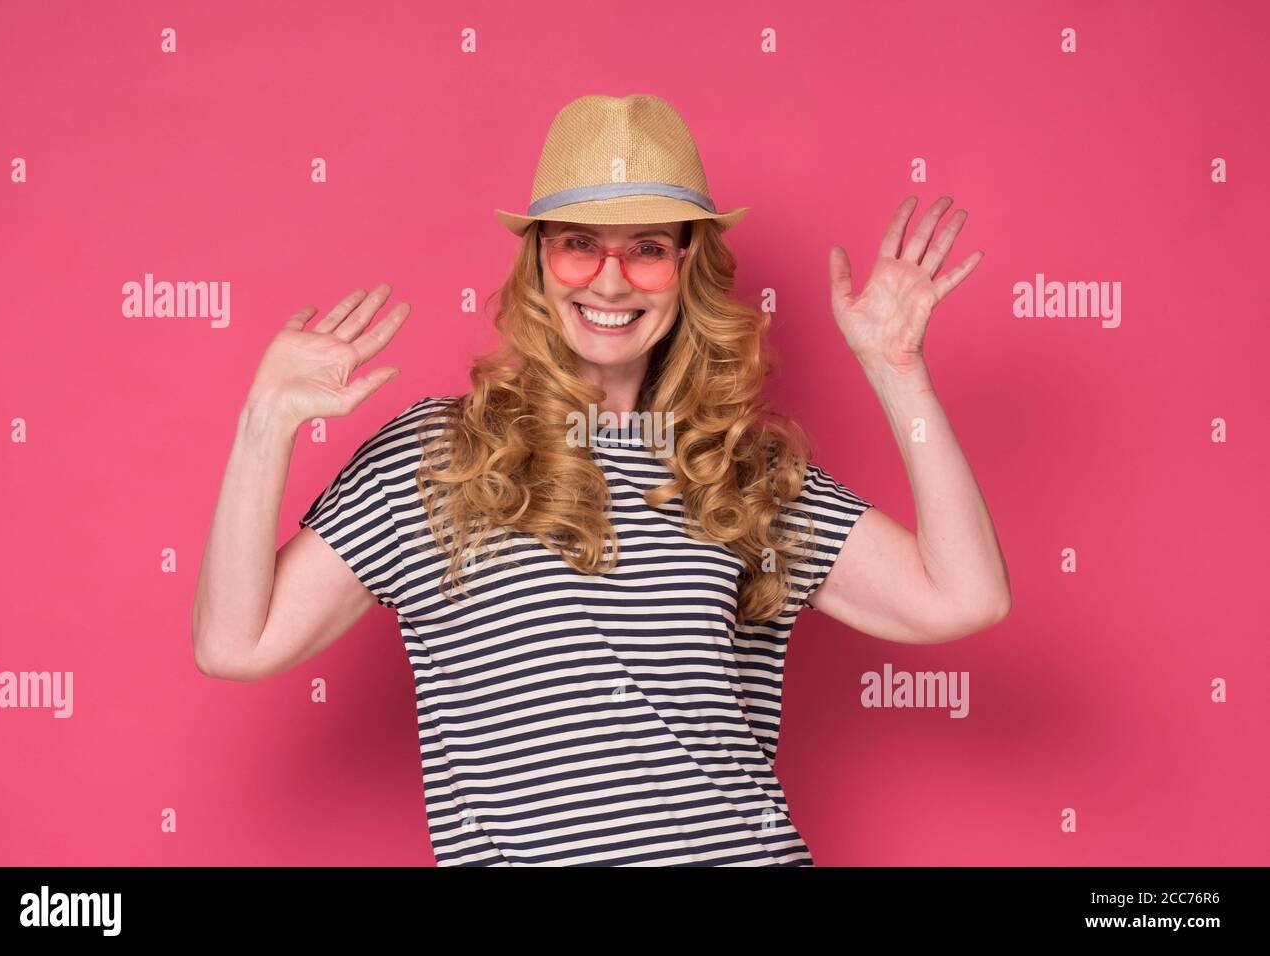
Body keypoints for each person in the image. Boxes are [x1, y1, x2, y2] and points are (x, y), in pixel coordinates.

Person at [190, 93, 1010, 866]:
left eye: (648, 250)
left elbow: (963, 595)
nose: (610, 280)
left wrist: (898, 372)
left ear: (687, 268)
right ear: (540, 260)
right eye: (579, 243)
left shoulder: (742, 469)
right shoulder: (435, 457)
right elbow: (236, 643)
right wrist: (266, 422)